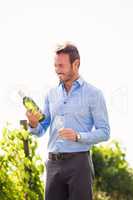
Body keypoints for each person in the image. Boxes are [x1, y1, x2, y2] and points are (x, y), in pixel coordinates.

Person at [26, 42, 110, 200]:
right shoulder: (51, 94)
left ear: (76, 64)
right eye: (55, 65)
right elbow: (42, 128)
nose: (57, 70)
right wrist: (34, 124)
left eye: (61, 65)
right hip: (53, 164)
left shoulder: (94, 94)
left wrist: (78, 136)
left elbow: (105, 132)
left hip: (79, 164)